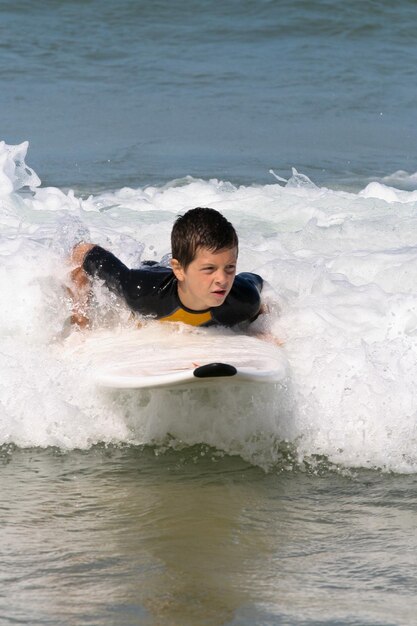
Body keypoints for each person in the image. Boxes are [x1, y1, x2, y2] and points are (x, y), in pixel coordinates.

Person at [69, 207, 267, 331]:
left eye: (230, 268)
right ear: (179, 270)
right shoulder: (139, 291)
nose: (222, 280)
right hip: (153, 274)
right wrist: (80, 318)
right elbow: (84, 251)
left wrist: (261, 330)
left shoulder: (243, 300)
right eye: (209, 269)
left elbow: (259, 284)